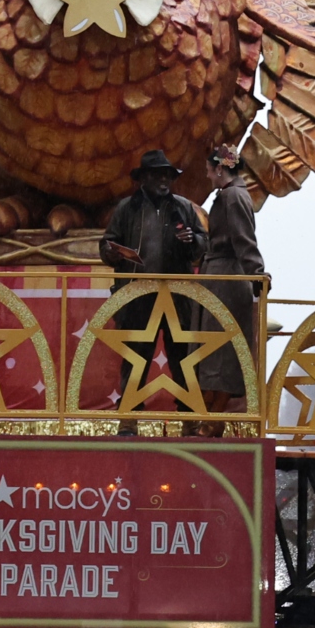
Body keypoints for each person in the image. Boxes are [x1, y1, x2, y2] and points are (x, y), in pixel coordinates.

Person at [100, 150, 206, 431]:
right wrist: (112, 252)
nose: (164, 180)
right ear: (143, 179)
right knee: (135, 359)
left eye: (167, 175)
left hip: (178, 298)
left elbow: (202, 244)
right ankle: (128, 422)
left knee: (183, 359)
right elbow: (106, 244)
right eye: (157, 174)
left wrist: (191, 240)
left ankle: (190, 422)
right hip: (137, 298)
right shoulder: (126, 209)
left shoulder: (184, 207)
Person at [190, 144, 267, 436]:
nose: (208, 176)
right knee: (213, 351)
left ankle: (212, 422)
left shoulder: (234, 197)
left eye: (210, 170)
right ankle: (211, 420)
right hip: (218, 278)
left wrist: (257, 275)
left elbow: (244, 239)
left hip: (226, 281)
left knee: (221, 352)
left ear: (220, 169)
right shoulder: (230, 195)